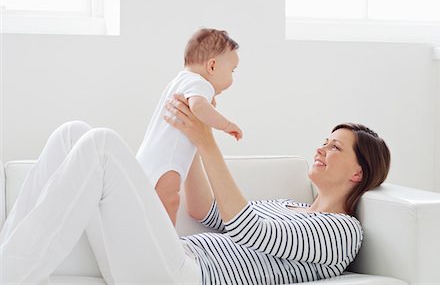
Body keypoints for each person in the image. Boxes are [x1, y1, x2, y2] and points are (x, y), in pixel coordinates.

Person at [0, 94, 390, 284]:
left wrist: (207, 141)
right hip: (165, 259)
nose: (321, 148)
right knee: (73, 134)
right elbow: (204, 209)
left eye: (335, 147)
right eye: (325, 140)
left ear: (358, 173)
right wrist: (187, 139)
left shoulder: (342, 232)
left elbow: (249, 227)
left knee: (101, 144)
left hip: (186, 276)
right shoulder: (288, 205)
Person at [137, 28, 243, 225]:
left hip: (150, 157)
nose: (232, 78)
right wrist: (226, 124)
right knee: (169, 201)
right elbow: (198, 106)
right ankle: (165, 244)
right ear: (212, 66)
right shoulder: (201, 84)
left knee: (154, 207)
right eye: (232, 70)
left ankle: (156, 239)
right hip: (166, 163)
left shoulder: (179, 80)